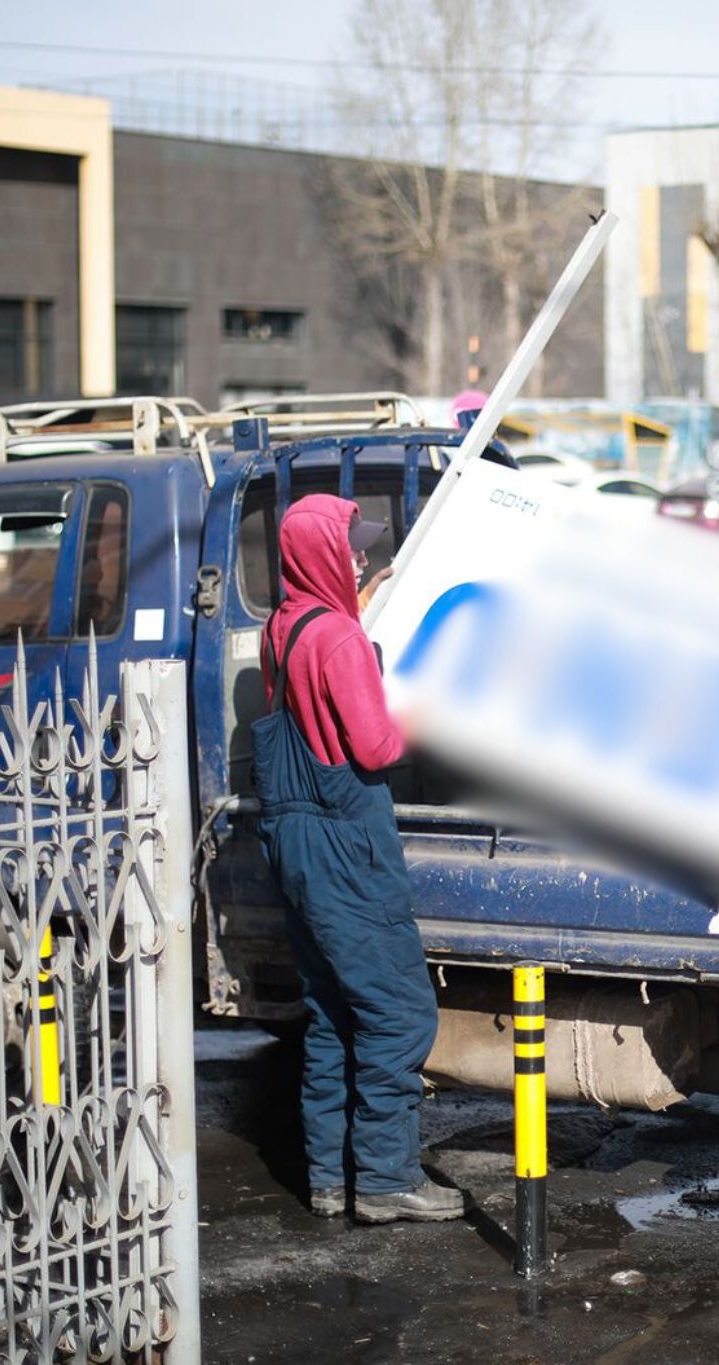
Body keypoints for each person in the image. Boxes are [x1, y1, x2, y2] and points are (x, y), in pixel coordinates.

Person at [253, 493, 465, 1225]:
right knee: (399, 1012)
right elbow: (375, 747)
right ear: (320, 555)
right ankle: (383, 1178)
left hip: (294, 840)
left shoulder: (281, 628)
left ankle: (328, 1177)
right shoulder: (340, 638)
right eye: (351, 548)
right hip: (347, 841)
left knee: (332, 1011)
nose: (361, 559)